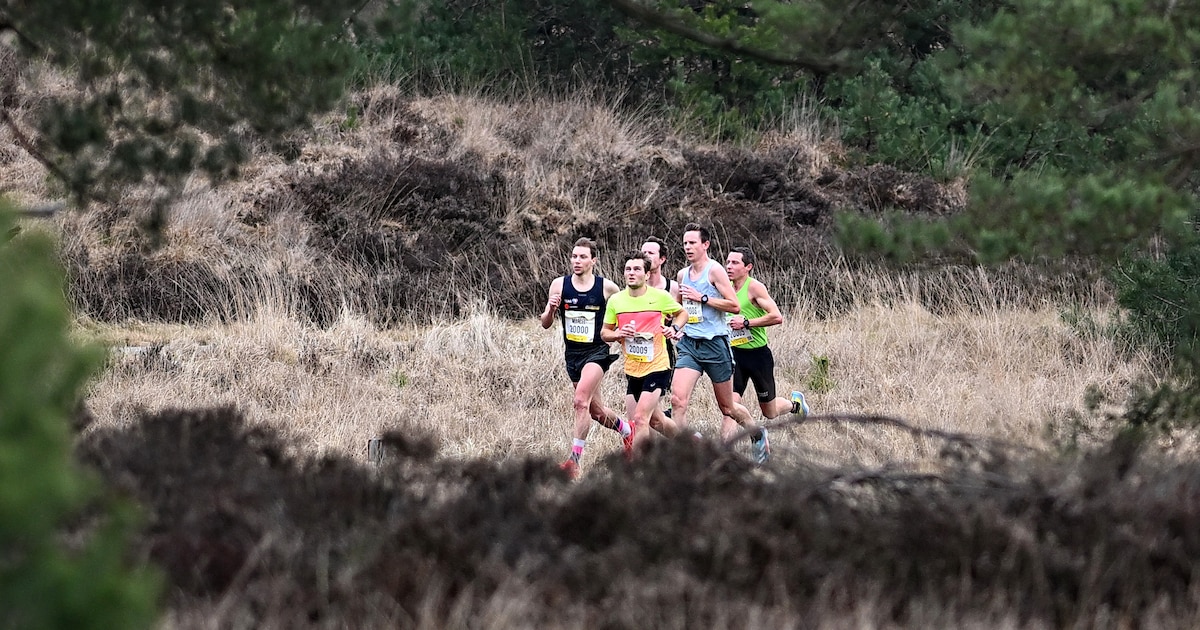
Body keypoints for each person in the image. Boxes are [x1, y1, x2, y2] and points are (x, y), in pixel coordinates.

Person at [668, 223, 770, 463]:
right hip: (690, 344)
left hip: (715, 345)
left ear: (705, 245)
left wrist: (703, 298)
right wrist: (674, 327)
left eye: (692, 243)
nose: (688, 247)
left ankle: (757, 434)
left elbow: (734, 305)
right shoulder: (683, 274)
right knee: (677, 400)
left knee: (728, 408)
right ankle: (686, 455)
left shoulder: (715, 272)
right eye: (685, 243)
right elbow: (680, 309)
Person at [540, 237, 632, 478]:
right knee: (596, 412)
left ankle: (574, 461)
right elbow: (545, 324)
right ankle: (626, 431)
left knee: (580, 401)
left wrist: (621, 334)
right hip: (573, 354)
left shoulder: (607, 288)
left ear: (594, 260)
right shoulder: (559, 285)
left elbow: (625, 310)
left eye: (582, 257)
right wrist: (550, 309)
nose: (577, 261)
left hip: (597, 353)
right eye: (574, 256)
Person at [721, 246, 810, 443]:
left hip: (758, 356)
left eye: (735, 263)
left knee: (769, 411)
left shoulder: (754, 287)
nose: (729, 266)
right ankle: (727, 450)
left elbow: (777, 317)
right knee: (730, 407)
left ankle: (795, 404)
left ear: (748, 267)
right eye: (727, 262)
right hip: (733, 354)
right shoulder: (723, 287)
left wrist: (746, 323)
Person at [602, 251, 688, 455]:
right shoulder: (616, 301)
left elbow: (682, 313)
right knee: (656, 420)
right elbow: (604, 333)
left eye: (637, 269)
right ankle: (688, 446)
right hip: (632, 369)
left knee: (641, 419)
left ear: (647, 274)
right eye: (628, 269)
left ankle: (640, 474)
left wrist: (674, 329)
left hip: (657, 366)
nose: (632, 273)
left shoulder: (660, 297)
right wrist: (618, 334)